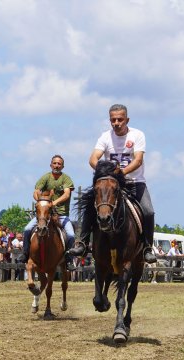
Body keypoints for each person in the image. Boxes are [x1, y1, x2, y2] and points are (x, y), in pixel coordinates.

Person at [67, 104, 157, 264]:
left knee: (148, 212)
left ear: (127, 120)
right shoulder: (105, 137)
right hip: (110, 184)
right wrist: (105, 172)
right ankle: (82, 243)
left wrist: (120, 173)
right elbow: (93, 158)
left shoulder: (137, 135)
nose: (116, 123)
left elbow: (138, 160)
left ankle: (147, 248)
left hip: (135, 183)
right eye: (113, 120)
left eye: (120, 120)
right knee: (89, 206)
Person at [22, 154, 75, 268]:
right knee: (27, 229)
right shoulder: (45, 177)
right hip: (44, 216)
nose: (56, 165)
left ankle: (69, 259)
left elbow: (66, 194)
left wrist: (54, 203)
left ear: (63, 166)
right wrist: (41, 202)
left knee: (71, 235)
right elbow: (36, 191)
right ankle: (25, 254)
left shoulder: (66, 178)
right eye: (54, 163)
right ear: (51, 165)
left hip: (61, 215)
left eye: (59, 164)